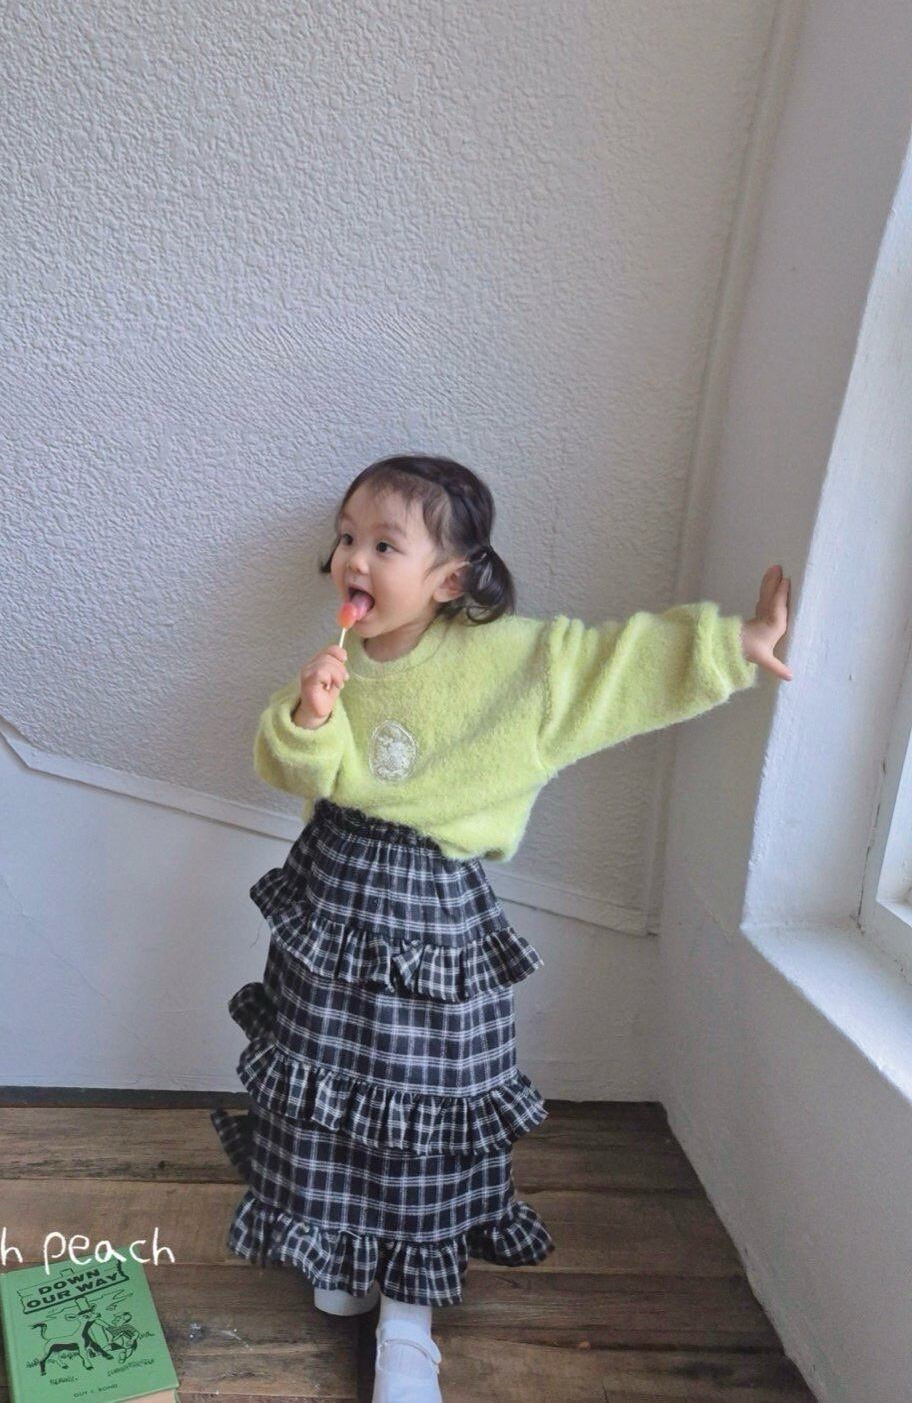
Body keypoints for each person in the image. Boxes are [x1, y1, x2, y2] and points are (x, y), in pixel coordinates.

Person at [210, 453, 792, 1403]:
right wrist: (311, 716)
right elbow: (292, 769)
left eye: (385, 544)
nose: (354, 558)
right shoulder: (340, 658)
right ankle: (345, 1246)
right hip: (330, 906)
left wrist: (733, 646)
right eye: (347, 538)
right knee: (328, 1087)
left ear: (450, 579)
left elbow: (612, 667)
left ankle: (411, 1318)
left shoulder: (512, 662)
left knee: (429, 1101)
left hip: (437, 919)